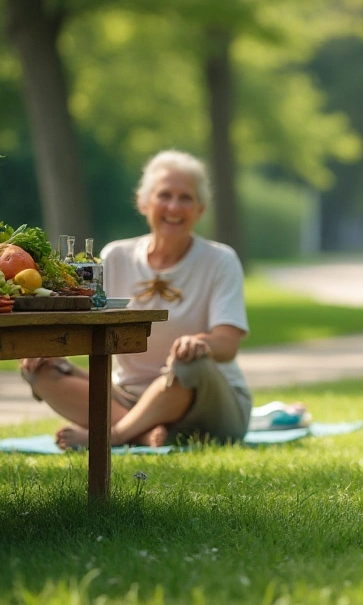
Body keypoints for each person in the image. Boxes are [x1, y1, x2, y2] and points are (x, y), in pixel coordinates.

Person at [20, 150, 252, 449]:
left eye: (186, 198)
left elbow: (228, 343)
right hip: (127, 396)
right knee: (39, 368)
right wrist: (51, 350)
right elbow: (87, 325)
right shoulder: (116, 256)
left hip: (206, 400)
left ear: (201, 209)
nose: (174, 206)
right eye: (164, 195)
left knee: (190, 363)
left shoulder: (221, 260)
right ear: (144, 202)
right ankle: (141, 433)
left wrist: (200, 344)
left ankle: (113, 435)